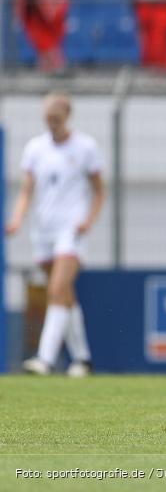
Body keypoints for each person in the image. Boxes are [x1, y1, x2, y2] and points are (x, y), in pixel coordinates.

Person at [5, 93, 104, 376]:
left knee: (57, 290)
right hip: (43, 229)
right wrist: (16, 219)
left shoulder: (85, 147)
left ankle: (45, 359)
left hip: (71, 228)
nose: (51, 123)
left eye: (56, 118)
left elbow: (99, 190)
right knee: (64, 294)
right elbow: (27, 190)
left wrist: (89, 220)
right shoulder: (35, 148)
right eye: (47, 118)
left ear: (66, 116)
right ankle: (83, 359)